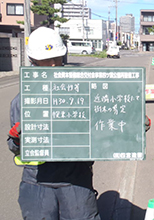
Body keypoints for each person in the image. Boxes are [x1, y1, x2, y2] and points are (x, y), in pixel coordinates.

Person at [7, 27, 100, 220]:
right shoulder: (22, 100)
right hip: (37, 183)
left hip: (76, 180)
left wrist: (133, 127)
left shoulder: (81, 92)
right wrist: (16, 141)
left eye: (57, 59)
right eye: (46, 60)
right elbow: (16, 149)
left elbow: (101, 125)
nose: (53, 65)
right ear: (33, 61)